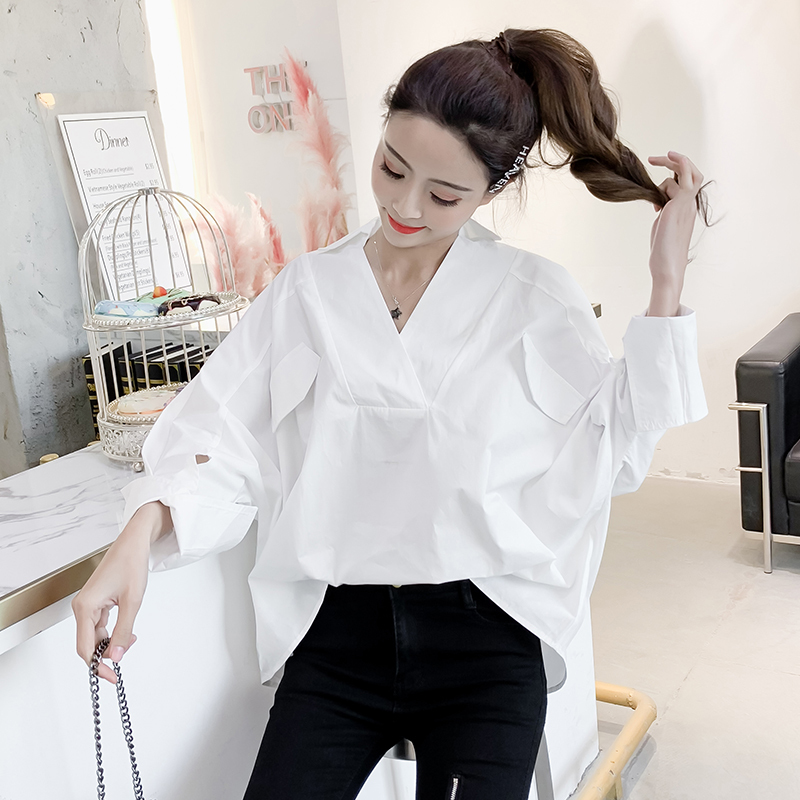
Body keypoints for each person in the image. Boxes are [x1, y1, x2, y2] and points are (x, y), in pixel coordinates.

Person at [73, 28, 708, 800]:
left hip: (486, 637)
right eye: (392, 168)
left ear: (493, 189)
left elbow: (618, 445)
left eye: (443, 195)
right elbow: (221, 433)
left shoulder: (535, 297)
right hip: (337, 642)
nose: (405, 207)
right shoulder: (308, 292)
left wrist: (666, 281)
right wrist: (140, 532)